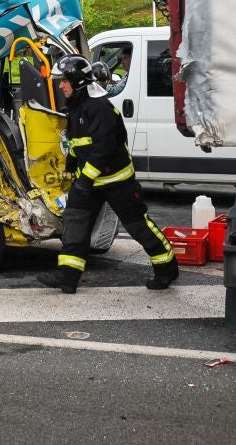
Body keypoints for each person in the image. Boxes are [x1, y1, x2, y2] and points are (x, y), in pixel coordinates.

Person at [36, 55, 178, 294]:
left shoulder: (100, 108)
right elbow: (78, 141)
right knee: (75, 223)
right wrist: (72, 163)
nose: (61, 86)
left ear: (78, 81)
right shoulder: (78, 105)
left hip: (117, 180)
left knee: (137, 225)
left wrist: (85, 179)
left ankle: (166, 267)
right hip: (90, 181)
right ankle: (68, 276)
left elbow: (103, 149)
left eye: (64, 81)